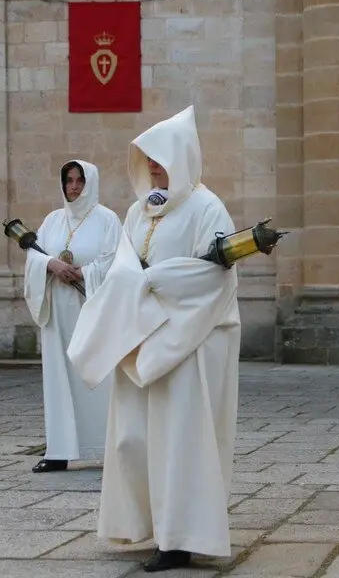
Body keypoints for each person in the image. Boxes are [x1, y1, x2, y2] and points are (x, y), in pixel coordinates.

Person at [66, 106, 241, 572]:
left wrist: (152, 282)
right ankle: (143, 523)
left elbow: (214, 276)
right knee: (134, 439)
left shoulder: (208, 208)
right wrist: (133, 288)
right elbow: (124, 265)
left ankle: (180, 538)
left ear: (182, 158)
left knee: (180, 440)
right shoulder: (139, 210)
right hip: (142, 336)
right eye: (148, 160)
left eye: (160, 160)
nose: (153, 168)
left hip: (191, 340)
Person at [23, 159, 120, 473]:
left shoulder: (107, 219)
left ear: (90, 183)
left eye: (80, 181)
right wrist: (51, 265)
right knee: (59, 378)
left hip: (89, 310)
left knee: (96, 376)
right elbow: (35, 255)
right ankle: (60, 450)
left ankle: (108, 448)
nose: (74, 187)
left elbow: (116, 261)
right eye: (69, 180)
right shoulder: (53, 220)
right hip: (58, 314)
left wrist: (83, 273)